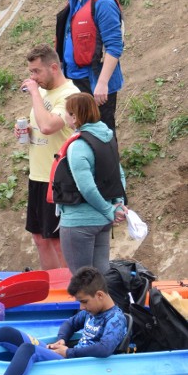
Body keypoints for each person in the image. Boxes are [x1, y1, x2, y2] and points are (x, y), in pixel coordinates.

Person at [16, 44, 79, 270]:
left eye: (36, 72)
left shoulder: (71, 95)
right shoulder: (42, 92)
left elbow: (49, 125)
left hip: (58, 178)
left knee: (58, 241)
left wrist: (34, 93)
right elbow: (40, 126)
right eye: (31, 72)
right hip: (37, 174)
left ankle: (67, 290)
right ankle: (51, 288)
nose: (33, 77)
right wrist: (26, 132)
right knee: (40, 238)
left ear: (53, 67)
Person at [54, 93, 127, 275]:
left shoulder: (78, 145)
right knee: (101, 278)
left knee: (83, 282)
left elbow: (86, 187)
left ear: (75, 117)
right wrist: (117, 205)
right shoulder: (108, 138)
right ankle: (109, 304)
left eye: (66, 113)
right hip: (102, 223)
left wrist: (108, 210)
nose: (65, 116)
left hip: (79, 223)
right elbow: (119, 175)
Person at [54, 0, 123, 133]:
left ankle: (109, 162)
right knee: (82, 131)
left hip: (94, 83)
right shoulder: (75, 0)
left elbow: (114, 46)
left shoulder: (103, 4)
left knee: (102, 133)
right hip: (76, 80)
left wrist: (102, 83)